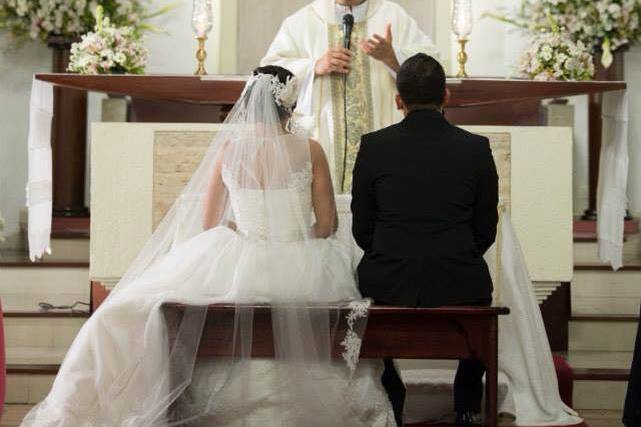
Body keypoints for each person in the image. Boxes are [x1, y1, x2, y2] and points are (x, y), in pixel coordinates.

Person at [19, 66, 396, 427]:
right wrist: (294, 238)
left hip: (240, 261)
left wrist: (242, 228)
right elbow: (328, 225)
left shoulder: (230, 149)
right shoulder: (310, 149)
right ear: (290, 104)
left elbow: (208, 222)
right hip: (302, 264)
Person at [351, 53, 498, 426]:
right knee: (480, 292)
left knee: (363, 290)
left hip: (387, 278)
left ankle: (390, 386)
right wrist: (456, 254)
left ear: (398, 100)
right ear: (446, 96)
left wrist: (391, 253)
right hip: (459, 277)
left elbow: (361, 228)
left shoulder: (373, 145)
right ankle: (466, 401)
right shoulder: (476, 148)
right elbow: (485, 228)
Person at [261, 0, 438, 193]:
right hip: (324, 138)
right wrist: (314, 66)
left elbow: (431, 67)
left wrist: (393, 56)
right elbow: (269, 74)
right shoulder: (302, 21)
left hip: (382, 137)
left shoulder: (393, 15)